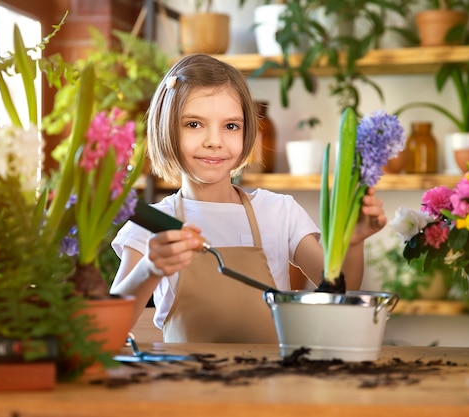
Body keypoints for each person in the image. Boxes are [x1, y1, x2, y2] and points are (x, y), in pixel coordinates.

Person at [110, 54, 387, 343]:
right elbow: (112, 325)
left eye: (231, 126)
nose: (214, 141)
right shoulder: (151, 226)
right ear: (165, 129)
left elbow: (338, 290)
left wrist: (353, 243)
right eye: (194, 124)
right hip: (185, 385)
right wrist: (150, 268)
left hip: (271, 385)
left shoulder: (279, 212)